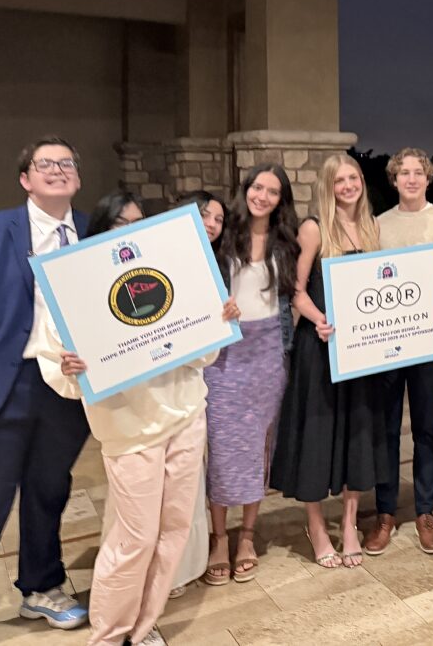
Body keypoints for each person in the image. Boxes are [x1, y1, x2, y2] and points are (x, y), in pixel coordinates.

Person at [38, 190, 240, 646]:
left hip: (185, 414)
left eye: (137, 223)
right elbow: (60, 370)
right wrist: (70, 369)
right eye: (119, 224)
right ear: (101, 230)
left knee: (174, 531)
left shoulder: (172, 272)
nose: (129, 232)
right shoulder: (74, 287)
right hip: (129, 429)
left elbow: (203, 357)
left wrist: (217, 323)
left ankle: (143, 627)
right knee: (134, 538)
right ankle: (109, 634)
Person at [0, 136, 91, 630]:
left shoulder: (94, 233)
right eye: (45, 164)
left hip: (66, 389)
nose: (58, 169)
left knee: (48, 492)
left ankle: (41, 588)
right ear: (26, 179)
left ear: (78, 175)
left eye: (66, 162)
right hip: (3, 386)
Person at [271, 155, 392, 569]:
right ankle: (317, 526)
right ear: (328, 186)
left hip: (359, 351)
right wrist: (320, 319)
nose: (348, 186)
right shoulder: (314, 228)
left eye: (353, 178)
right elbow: (295, 290)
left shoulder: (372, 227)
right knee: (318, 436)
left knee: (357, 433)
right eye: (339, 180)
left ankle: (351, 522)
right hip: (320, 348)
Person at [366, 147, 433, 556]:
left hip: (427, 343)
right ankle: (385, 511)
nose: (410, 179)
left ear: (428, 177)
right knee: (386, 429)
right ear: (394, 179)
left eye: (417, 172)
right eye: (403, 172)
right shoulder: (377, 225)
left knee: (427, 428)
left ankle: (425, 510)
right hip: (386, 345)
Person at [203, 164, 298, 585]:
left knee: (260, 445)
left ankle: (246, 535)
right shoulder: (224, 234)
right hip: (226, 353)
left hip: (268, 352)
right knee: (224, 447)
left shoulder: (286, 242)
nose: (263, 196)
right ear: (246, 190)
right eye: (258, 187)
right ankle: (218, 537)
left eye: (272, 191)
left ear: (281, 200)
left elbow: (294, 295)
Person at [163, 190, 227, 597]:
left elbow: (208, 343)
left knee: (186, 483)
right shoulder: (158, 260)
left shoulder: (210, 268)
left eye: (218, 219)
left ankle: (182, 567)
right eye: (205, 215)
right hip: (149, 392)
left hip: (188, 386)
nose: (211, 224)